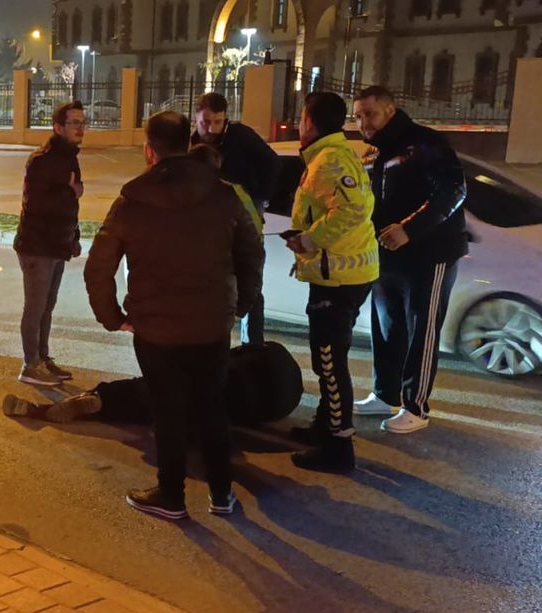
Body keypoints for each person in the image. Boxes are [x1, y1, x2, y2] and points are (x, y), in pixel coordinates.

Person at [84, 111, 264, 520]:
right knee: (212, 406)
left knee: (167, 411)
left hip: (155, 329)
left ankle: (171, 495)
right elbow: (252, 254)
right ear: (188, 144)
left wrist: (114, 317)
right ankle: (222, 494)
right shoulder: (224, 195)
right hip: (211, 325)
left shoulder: (132, 202)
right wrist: (239, 306)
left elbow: (98, 267)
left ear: (150, 150)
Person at [351, 86, 468, 434]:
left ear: (390, 110)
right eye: (357, 116)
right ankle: (385, 395)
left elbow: (453, 191)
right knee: (387, 326)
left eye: (369, 114)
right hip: (388, 253)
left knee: (422, 329)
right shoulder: (375, 151)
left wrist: (410, 229)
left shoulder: (425, 143)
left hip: (431, 253)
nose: (363, 123)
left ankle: (416, 406)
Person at [286, 92, 379, 473]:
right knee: (327, 356)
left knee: (329, 361)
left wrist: (310, 240)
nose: (299, 125)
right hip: (343, 273)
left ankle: (339, 447)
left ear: (310, 122)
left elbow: (354, 209)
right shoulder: (335, 154)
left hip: (338, 277)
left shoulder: (329, 160)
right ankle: (325, 426)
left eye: (302, 118)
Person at [191, 92, 279, 345]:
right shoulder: (193, 143)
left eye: (217, 122)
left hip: (244, 218)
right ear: (196, 118)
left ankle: (253, 344)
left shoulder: (240, 136)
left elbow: (272, 163)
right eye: (206, 122)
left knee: (249, 282)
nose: (211, 128)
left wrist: (262, 200)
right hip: (210, 226)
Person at [13, 101, 86, 387]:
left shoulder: (69, 158)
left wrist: (74, 236)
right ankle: (29, 365)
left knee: (47, 306)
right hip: (37, 246)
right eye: (75, 123)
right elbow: (37, 205)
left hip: (57, 244)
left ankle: (43, 358)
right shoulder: (41, 160)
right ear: (58, 127)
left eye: (83, 122)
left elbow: (71, 203)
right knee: (35, 307)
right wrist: (71, 191)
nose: (81, 128)